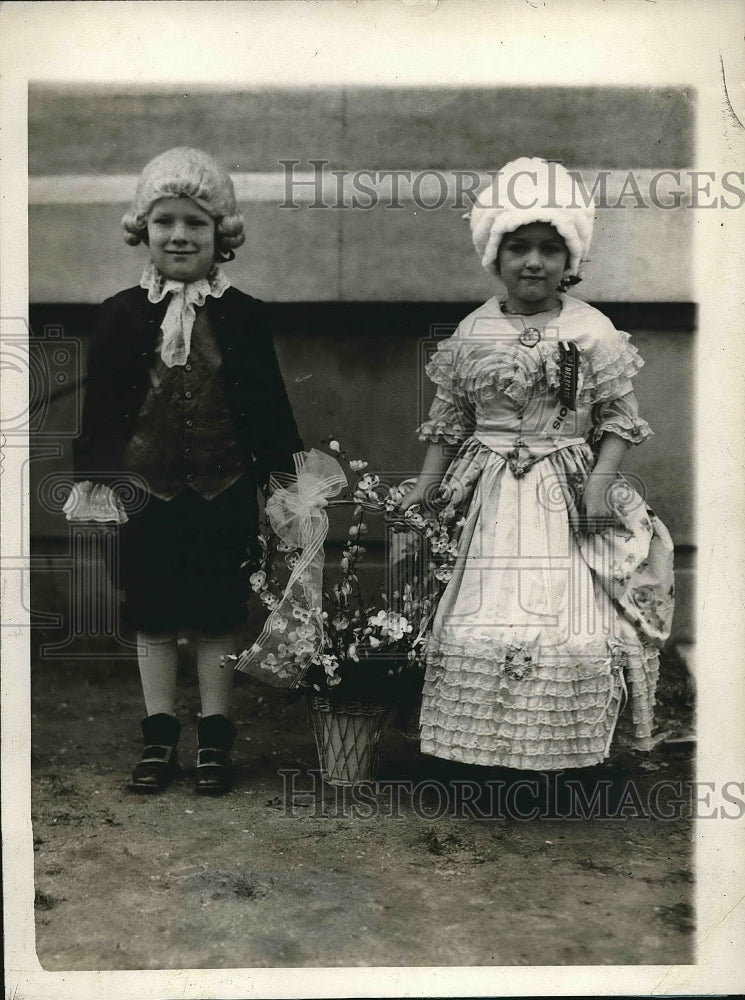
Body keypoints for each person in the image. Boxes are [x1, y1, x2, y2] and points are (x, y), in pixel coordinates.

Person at [401, 157, 674, 773]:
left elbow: (619, 419)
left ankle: (558, 755)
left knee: (566, 618)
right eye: (518, 247)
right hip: (490, 489)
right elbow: (449, 423)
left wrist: (600, 482)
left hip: (567, 486)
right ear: (494, 257)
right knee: (481, 609)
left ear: (570, 261)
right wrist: (423, 488)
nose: (532, 262)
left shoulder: (591, 329)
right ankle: (487, 752)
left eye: (549, 249)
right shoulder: (473, 330)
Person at [64, 147, 303, 795]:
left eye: (196, 223)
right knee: (152, 613)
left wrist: (286, 477)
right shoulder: (120, 313)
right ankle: (159, 736)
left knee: (219, 612)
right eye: (165, 220)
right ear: (142, 229)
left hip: (222, 490)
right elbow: (107, 404)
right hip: (146, 493)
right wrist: (95, 474)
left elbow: (267, 401)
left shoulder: (244, 315)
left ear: (221, 235)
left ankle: (216, 737)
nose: (179, 235)